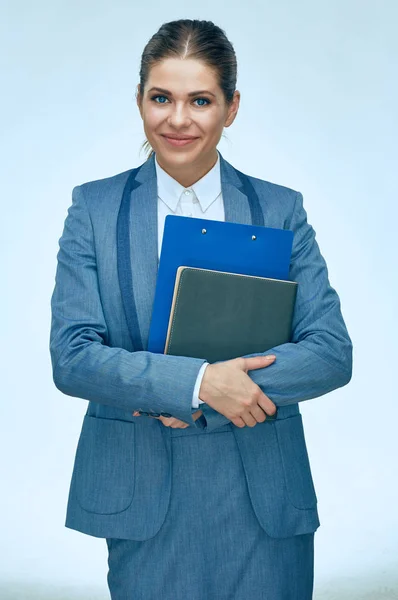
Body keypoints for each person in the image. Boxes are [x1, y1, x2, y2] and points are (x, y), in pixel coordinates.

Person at [49, 18, 353, 600]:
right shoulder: (95, 209)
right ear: (139, 101)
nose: (178, 119)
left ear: (231, 107)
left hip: (261, 492)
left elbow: (330, 352)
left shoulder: (279, 210)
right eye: (161, 97)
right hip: (147, 494)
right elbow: (74, 357)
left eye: (201, 100)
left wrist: (225, 391)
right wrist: (200, 384)